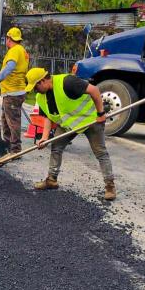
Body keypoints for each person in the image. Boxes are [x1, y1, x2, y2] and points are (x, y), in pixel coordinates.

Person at [26, 68, 116, 201]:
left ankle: (110, 186)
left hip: (90, 120)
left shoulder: (67, 82)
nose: (35, 91)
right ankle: (51, 180)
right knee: (56, 147)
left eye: (35, 87)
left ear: (43, 80)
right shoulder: (41, 97)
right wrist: (44, 138)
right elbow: (47, 117)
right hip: (69, 124)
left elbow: (94, 90)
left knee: (100, 152)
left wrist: (101, 113)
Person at [0, 27, 29, 154]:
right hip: (14, 91)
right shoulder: (22, 50)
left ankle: (15, 149)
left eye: (6, 38)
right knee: (6, 120)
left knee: (12, 122)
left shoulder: (14, 51)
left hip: (13, 92)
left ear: (9, 39)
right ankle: (7, 144)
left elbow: (9, 68)